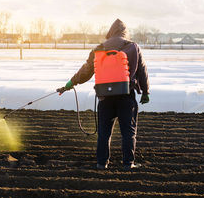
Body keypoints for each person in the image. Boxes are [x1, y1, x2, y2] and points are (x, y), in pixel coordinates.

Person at [60, 19, 149, 170]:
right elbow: (142, 71)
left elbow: (86, 70)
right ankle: (128, 163)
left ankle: (102, 163)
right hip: (126, 96)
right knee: (128, 131)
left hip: (105, 97)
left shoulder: (99, 49)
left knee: (104, 132)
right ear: (125, 33)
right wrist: (145, 92)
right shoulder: (133, 47)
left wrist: (71, 83)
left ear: (110, 32)